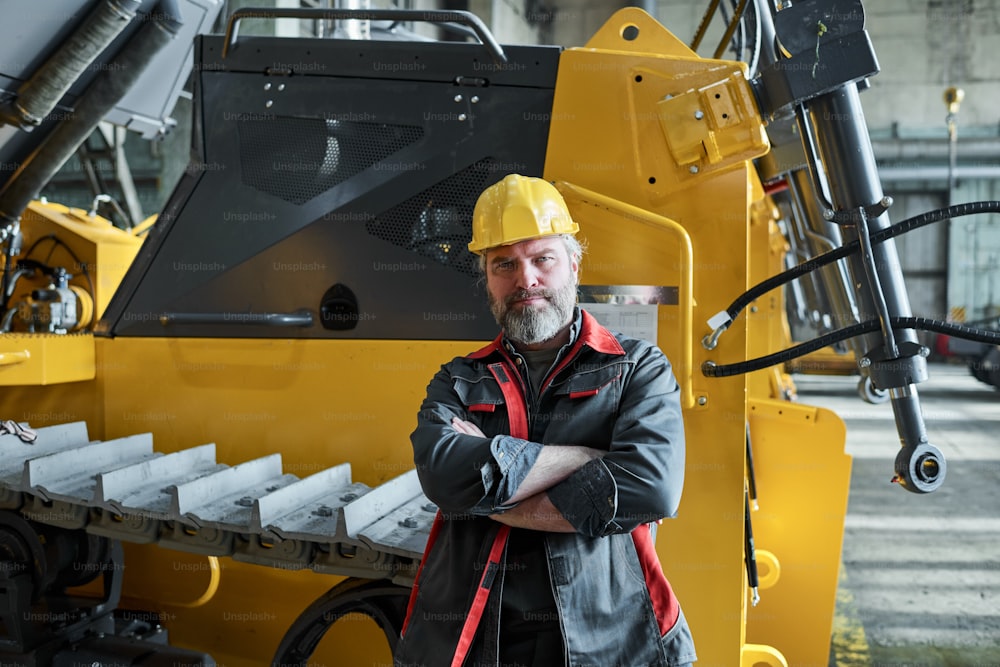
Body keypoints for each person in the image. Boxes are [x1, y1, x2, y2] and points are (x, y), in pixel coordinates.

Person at [393, 174, 696, 667]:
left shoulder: (637, 367)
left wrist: (491, 495)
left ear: (573, 264)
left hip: (610, 636)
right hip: (477, 636)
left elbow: (651, 488)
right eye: (504, 264)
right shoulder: (458, 378)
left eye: (542, 259)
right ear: (486, 278)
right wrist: (587, 459)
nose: (524, 278)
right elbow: (444, 475)